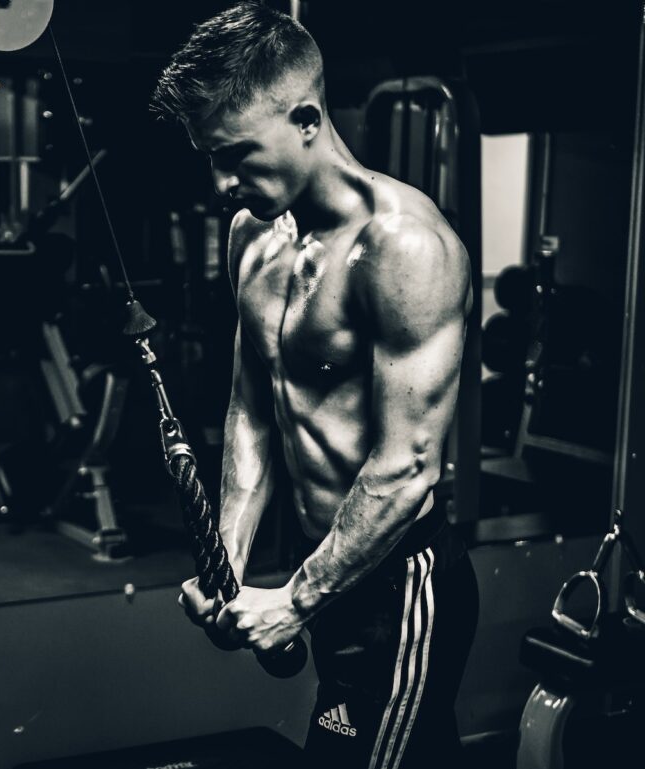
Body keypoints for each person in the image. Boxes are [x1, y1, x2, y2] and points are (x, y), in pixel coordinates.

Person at [151, 4, 478, 767]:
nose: (223, 183)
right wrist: (226, 559)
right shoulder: (252, 235)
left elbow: (407, 467)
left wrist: (296, 599)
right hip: (323, 565)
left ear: (305, 118)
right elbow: (252, 410)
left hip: (400, 588)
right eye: (210, 158)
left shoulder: (404, 249)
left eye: (236, 155)